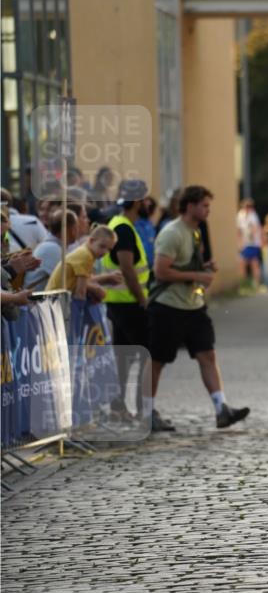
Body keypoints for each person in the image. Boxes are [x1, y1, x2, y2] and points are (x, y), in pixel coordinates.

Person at [148, 184, 250, 432]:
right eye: (204, 205)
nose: (208, 210)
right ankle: (145, 412)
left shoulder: (195, 232)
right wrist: (197, 274)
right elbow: (160, 271)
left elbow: (185, 265)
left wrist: (205, 268)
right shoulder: (172, 232)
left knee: (207, 354)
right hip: (168, 306)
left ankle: (221, 409)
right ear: (190, 205)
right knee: (157, 360)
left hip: (193, 305)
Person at [101, 180, 153, 421]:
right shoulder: (123, 228)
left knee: (124, 357)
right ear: (138, 202)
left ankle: (119, 405)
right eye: (144, 199)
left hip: (120, 302)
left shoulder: (121, 224)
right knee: (147, 354)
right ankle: (145, 410)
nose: (148, 204)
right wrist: (142, 298)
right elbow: (127, 268)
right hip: (128, 303)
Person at [46, 224, 119, 298]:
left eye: (109, 249)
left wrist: (104, 280)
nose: (105, 252)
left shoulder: (85, 251)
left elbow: (86, 280)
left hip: (57, 296)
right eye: (102, 246)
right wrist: (81, 307)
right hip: (57, 299)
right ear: (91, 241)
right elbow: (81, 291)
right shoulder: (86, 255)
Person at [24, 209, 79, 290]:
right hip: (36, 300)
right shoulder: (51, 249)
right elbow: (69, 281)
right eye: (76, 227)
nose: (77, 231)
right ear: (68, 229)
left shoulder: (56, 246)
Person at [237, 198, 263, 287]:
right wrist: (240, 243)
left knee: (253, 263)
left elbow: (255, 229)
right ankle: (244, 283)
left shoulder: (253, 215)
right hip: (245, 244)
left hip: (253, 243)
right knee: (243, 263)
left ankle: (255, 284)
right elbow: (239, 230)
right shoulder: (240, 215)